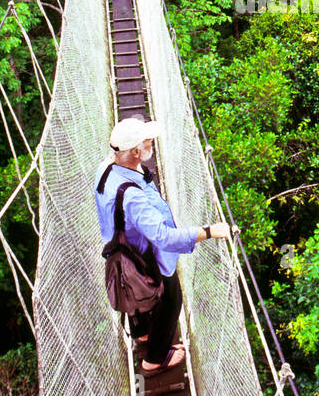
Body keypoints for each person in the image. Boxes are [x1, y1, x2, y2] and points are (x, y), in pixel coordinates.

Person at [95, 116, 231, 372]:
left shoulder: (105, 168)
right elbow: (165, 238)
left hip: (119, 249)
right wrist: (209, 231)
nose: (152, 144)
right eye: (148, 142)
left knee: (133, 290)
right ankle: (154, 360)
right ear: (136, 151)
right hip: (142, 255)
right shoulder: (132, 197)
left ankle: (142, 335)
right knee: (170, 299)